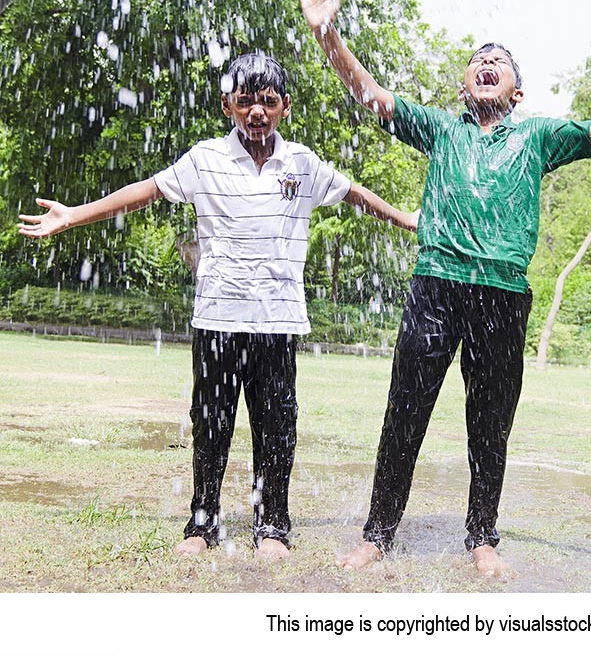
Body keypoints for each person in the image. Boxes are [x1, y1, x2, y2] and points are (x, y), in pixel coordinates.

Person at [300, 0, 591, 575]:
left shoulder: (538, 136)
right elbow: (371, 94)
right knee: (404, 414)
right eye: (476, 58)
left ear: (516, 91)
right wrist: (326, 36)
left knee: (490, 423)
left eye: (500, 60)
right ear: (464, 83)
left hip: (503, 296)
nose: (486, 62)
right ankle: (377, 534)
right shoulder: (439, 128)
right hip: (435, 288)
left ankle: (483, 537)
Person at [18, 53, 417, 560]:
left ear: (285, 108)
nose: (257, 111)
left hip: (278, 321)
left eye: (268, 101)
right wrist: (75, 216)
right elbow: (145, 191)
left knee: (277, 427)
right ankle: (202, 524)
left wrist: (403, 218)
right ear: (228, 104)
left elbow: (353, 192)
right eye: (246, 100)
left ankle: (272, 528)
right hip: (217, 319)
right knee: (212, 424)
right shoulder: (204, 158)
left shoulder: (301, 164)